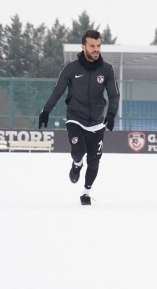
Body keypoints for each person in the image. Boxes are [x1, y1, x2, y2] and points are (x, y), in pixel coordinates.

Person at [39, 30, 120, 205]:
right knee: (78, 152)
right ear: (83, 47)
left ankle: (86, 192)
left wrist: (112, 113)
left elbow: (114, 95)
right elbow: (58, 91)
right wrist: (46, 111)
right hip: (75, 118)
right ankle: (76, 164)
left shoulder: (107, 69)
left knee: (94, 161)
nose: (96, 49)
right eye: (92, 46)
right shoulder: (70, 68)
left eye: (98, 45)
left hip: (97, 122)